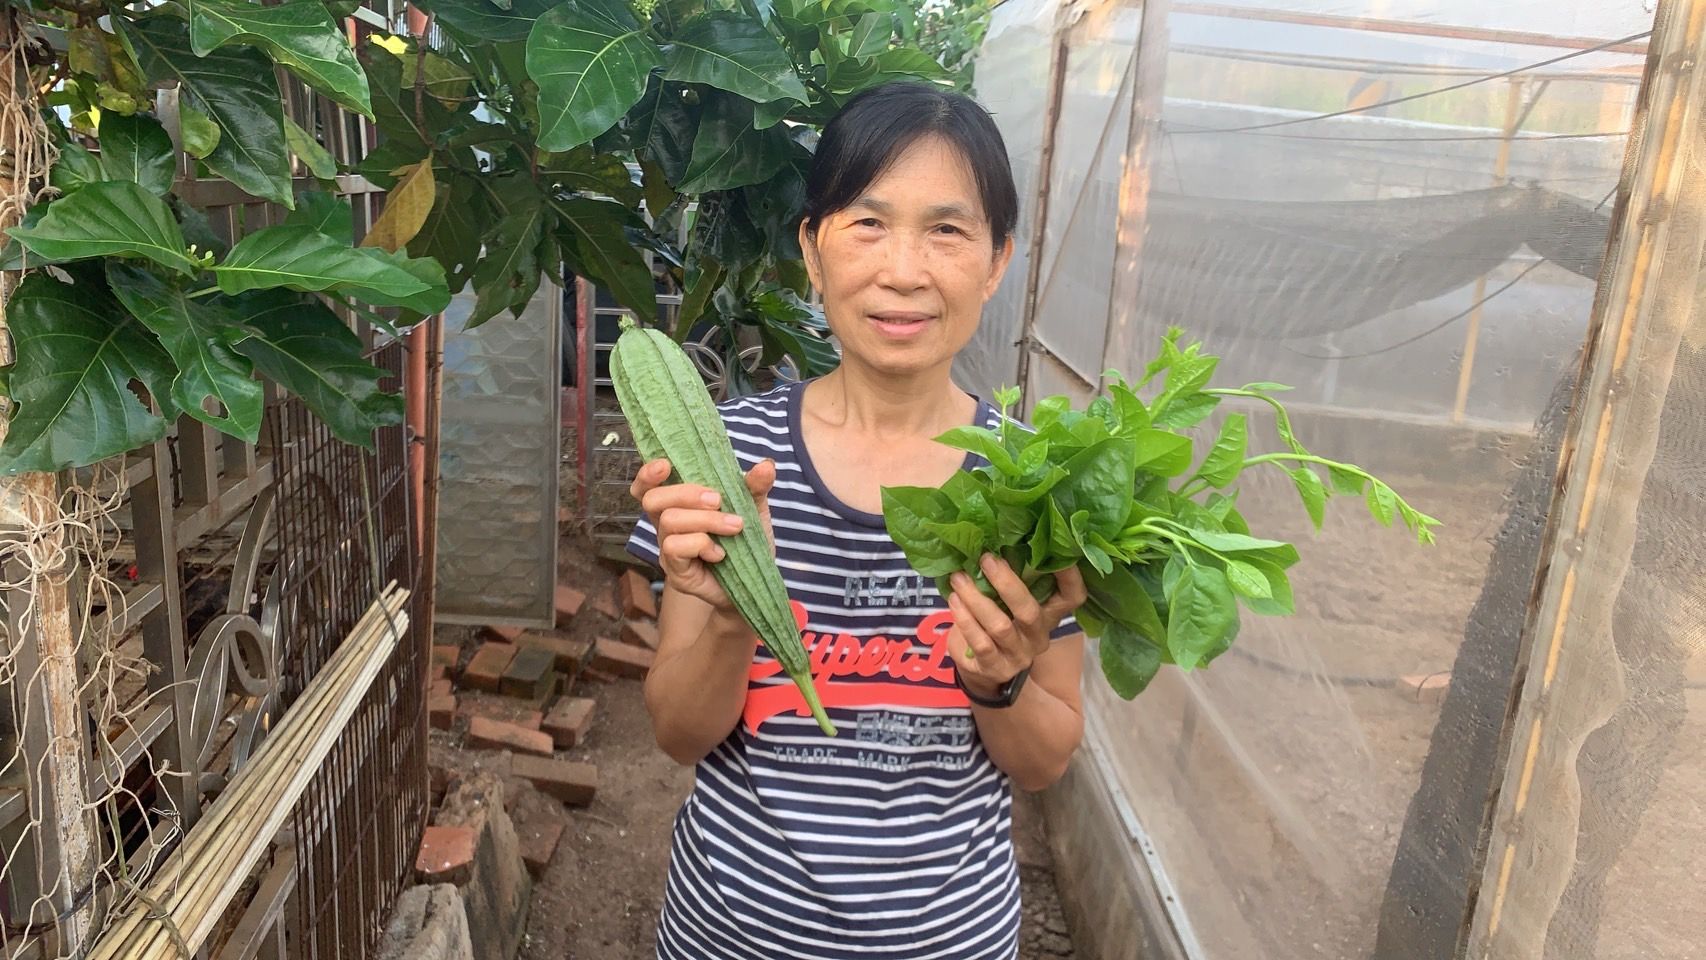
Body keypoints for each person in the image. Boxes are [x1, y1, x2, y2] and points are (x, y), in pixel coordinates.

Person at [625, 81, 1089, 960]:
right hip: (730, 936)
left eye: (947, 231)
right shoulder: (729, 456)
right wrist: (731, 616)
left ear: (996, 261)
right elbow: (678, 733)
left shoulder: (1034, 481)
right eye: (868, 223)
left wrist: (999, 679)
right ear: (812, 248)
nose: (903, 271)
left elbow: (1044, 762)